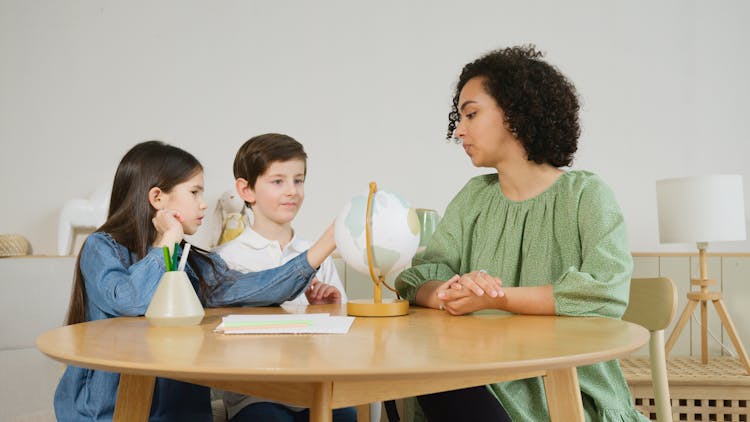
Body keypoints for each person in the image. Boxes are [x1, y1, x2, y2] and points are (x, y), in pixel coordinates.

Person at [395, 45, 648, 422]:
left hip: (563, 383)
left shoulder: (586, 195)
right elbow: (419, 276)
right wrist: (449, 292)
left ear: (514, 114)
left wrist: (495, 298)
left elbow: (604, 291)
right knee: (405, 378)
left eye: (471, 114)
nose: (459, 130)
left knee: (433, 387)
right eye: (459, 118)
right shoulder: (473, 198)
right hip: (479, 374)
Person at [54, 140, 337, 422]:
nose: (203, 204)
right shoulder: (101, 248)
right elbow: (131, 300)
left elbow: (259, 288)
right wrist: (167, 241)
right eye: (194, 192)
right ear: (157, 198)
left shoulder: (193, 263)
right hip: (107, 412)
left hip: (181, 414)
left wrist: (326, 244)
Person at [215, 133, 355, 422]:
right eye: (278, 181)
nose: (292, 190)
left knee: (344, 415)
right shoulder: (226, 259)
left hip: (313, 392)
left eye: (298, 180)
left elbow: (343, 341)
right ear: (246, 189)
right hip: (254, 397)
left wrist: (328, 307)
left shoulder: (317, 256)